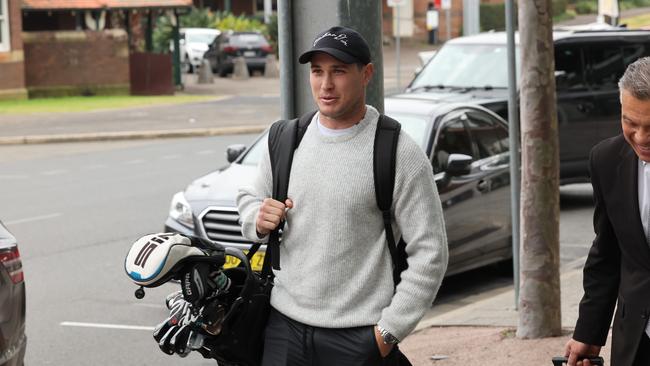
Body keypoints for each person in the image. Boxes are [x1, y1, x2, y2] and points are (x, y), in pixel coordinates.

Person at [236, 26, 448, 366]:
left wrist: (387, 334)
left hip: (359, 336)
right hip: (283, 329)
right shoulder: (285, 138)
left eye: (339, 71)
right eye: (317, 71)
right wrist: (256, 219)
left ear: (366, 74)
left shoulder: (396, 151)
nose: (325, 85)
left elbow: (431, 253)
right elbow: (249, 198)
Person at [565, 57, 650, 366]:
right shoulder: (605, 159)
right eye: (630, 122)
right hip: (638, 342)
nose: (640, 137)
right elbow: (608, 252)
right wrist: (589, 331)